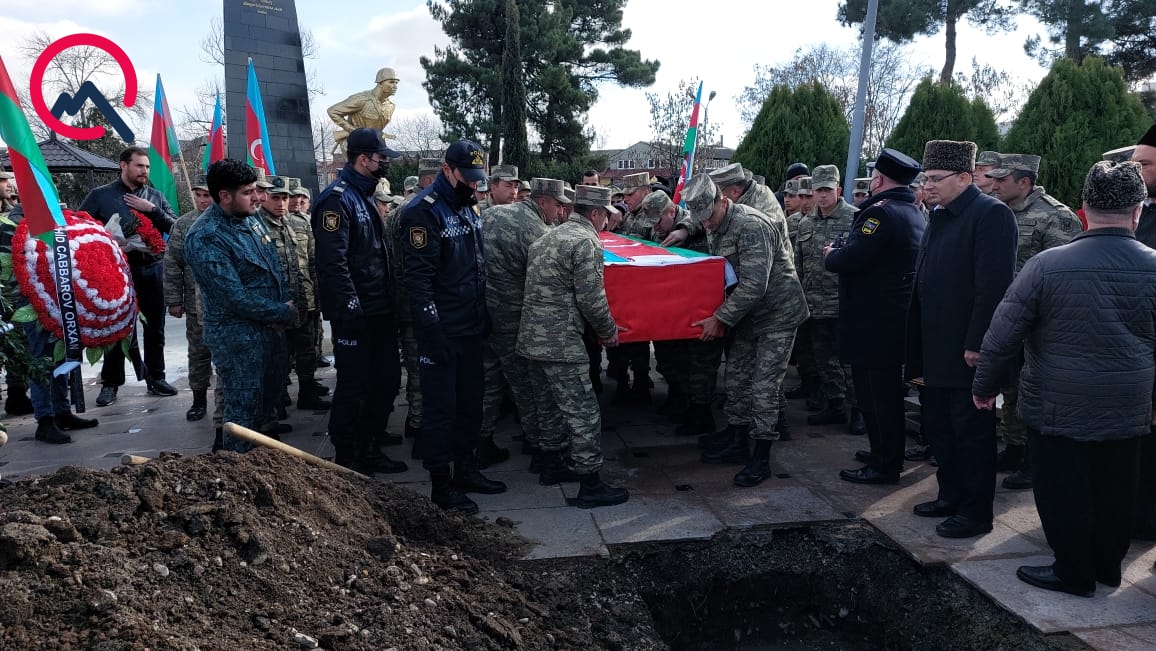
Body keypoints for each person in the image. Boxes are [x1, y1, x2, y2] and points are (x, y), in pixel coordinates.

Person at [972, 160, 1156, 597]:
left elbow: (1002, 333)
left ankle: (1073, 572)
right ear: (1137, 211)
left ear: (1084, 209)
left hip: (1056, 404)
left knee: (1062, 489)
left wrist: (985, 385)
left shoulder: (1046, 266)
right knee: (1117, 487)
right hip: (1128, 404)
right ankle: (1107, 567)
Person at [906, 140, 1017, 539]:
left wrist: (978, 343)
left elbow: (993, 287)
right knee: (939, 428)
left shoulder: (991, 215)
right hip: (934, 344)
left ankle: (975, 512)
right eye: (926, 178)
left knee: (970, 433)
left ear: (965, 178)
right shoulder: (939, 214)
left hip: (966, 349)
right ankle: (950, 495)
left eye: (936, 179)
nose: (928, 186)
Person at [668, 174, 808, 486]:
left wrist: (719, 318)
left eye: (709, 217)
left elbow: (755, 286)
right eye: (701, 219)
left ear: (723, 201)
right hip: (747, 314)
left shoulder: (751, 225)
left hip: (777, 314)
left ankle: (761, 456)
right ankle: (738, 438)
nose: (706, 224)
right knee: (736, 378)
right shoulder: (714, 222)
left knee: (763, 387)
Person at [398, 139, 506, 514]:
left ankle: (467, 470)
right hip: (442, 330)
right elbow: (418, 281)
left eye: (478, 179)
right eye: (467, 177)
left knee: (470, 406)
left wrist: (482, 314)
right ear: (447, 170)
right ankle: (442, 487)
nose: (474, 185)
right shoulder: (423, 212)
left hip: (470, 324)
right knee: (441, 412)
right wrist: (432, 332)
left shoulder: (467, 204)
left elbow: (475, 264)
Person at [518, 184, 628, 505]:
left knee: (547, 406)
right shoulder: (586, 241)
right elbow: (592, 299)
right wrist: (608, 330)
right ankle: (590, 484)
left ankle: (550, 465)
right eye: (606, 216)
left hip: (531, 339)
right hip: (561, 342)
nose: (607, 222)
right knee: (584, 412)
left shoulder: (547, 236)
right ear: (595, 213)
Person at [823, 149, 926, 484]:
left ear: (878, 179)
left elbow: (851, 259)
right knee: (884, 395)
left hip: (873, 322)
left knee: (876, 397)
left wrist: (831, 254)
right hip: (890, 318)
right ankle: (884, 451)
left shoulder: (880, 214)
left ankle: (885, 465)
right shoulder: (912, 210)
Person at [185, 159, 297, 452]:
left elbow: (273, 267)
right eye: (248, 192)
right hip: (238, 340)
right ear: (225, 195)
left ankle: (258, 463)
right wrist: (282, 311)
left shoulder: (250, 218)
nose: (258, 197)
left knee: (266, 406)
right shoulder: (206, 236)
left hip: (269, 332)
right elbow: (234, 297)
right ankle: (237, 467)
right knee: (243, 415)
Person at [312, 128, 407, 475]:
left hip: (379, 308)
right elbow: (333, 263)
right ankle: (349, 454)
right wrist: (350, 308)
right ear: (363, 159)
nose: (385, 164)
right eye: (381, 158)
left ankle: (370, 439)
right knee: (356, 384)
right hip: (357, 312)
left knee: (385, 379)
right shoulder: (337, 200)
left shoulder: (363, 195)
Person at [985, 153, 1083, 490]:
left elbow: (1065, 276)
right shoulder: (998, 212)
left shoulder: (1056, 217)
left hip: (1039, 324)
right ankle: (1014, 449)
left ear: (1024, 182)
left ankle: (1032, 461)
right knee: (1009, 388)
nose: (994, 185)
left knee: (1031, 391)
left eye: (1002, 179)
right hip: (1005, 319)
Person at [480, 178, 569, 471]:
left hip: (481, 312)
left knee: (488, 380)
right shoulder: (538, 232)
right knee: (528, 385)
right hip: (513, 318)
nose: (560, 212)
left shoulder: (492, 213)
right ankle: (538, 444)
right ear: (542, 202)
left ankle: (480, 441)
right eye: (557, 205)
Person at [79, 146, 178, 405]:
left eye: (147, 167)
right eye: (139, 166)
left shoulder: (155, 196)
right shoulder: (100, 195)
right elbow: (80, 227)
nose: (145, 171)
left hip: (153, 269)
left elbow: (175, 227)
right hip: (117, 272)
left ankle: (156, 378)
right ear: (123, 165)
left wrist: (152, 210)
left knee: (155, 328)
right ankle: (111, 384)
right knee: (117, 329)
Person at [796, 164, 861, 433]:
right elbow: (799, 264)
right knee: (824, 359)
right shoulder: (806, 222)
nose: (822, 195)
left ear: (838, 189)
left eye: (827, 190)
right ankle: (835, 405)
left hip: (843, 304)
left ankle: (858, 410)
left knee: (849, 362)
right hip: (815, 304)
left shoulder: (855, 218)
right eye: (818, 190)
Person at [163, 178, 214, 421]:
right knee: (198, 354)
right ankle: (198, 400)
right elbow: (172, 263)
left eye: (207, 195)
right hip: (196, 305)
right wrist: (174, 300)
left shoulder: (228, 220)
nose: (202, 200)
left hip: (227, 303)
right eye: (198, 195)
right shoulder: (184, 224)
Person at [327, 67, 400, 155]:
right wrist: (353, 130)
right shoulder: (362, 99)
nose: (395, 86)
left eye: (396, 83)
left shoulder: (391, 105)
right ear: (380, 83)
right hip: (355, 145)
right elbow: (332, 111)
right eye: (391, 82)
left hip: (374, 145)